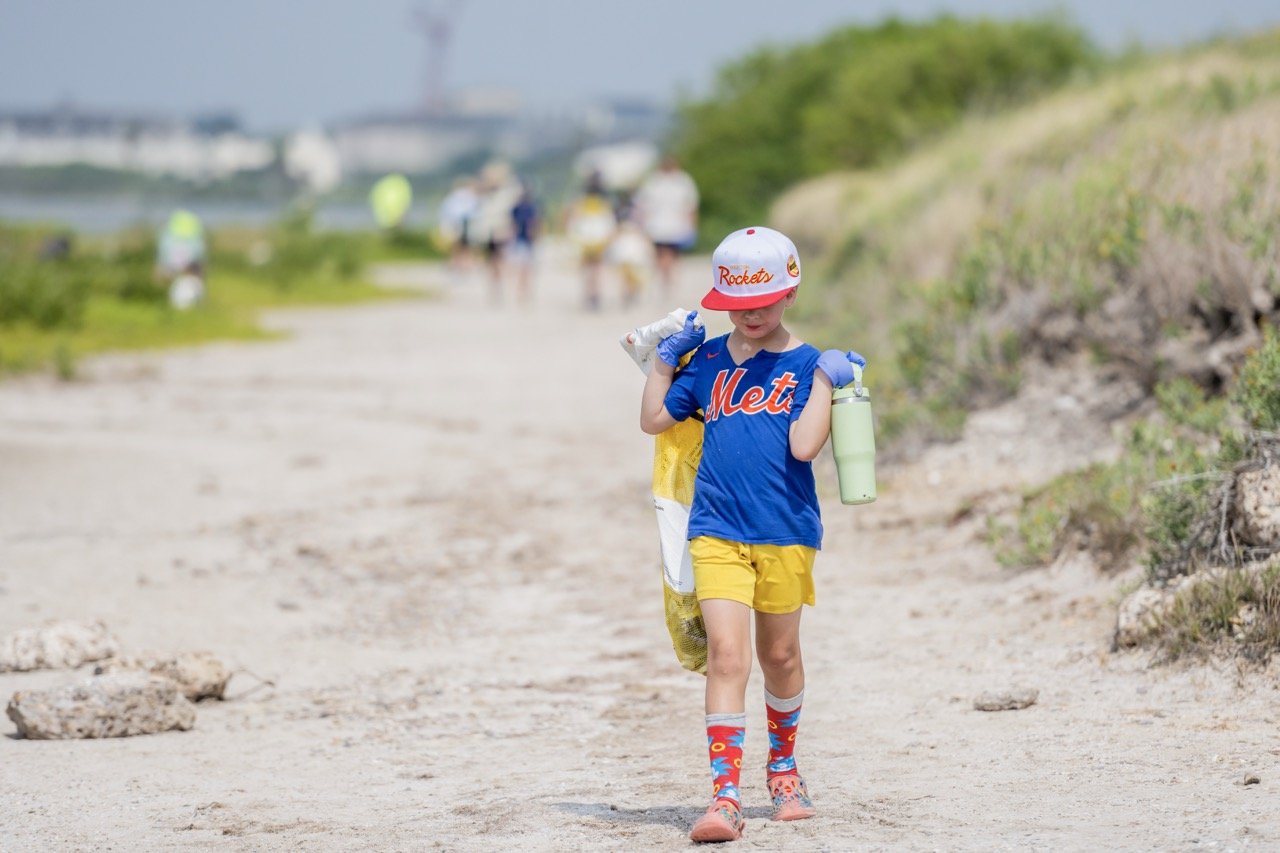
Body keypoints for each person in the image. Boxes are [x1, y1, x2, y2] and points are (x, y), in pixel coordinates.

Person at [638, 226, 865, 843]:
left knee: (780, 656)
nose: (752, 313)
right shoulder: (707, 359)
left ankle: (785, 768)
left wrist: (825, 381)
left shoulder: (804, 364)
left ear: (790, 292)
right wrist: (662, 363)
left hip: (786, 531)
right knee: (729, 656)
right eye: (739, 304)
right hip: (716, 529)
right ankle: (725, 795)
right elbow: (654, 419)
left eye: (764, 301)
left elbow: (803, 445)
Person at [634, 156, 699, 299]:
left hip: (657, 227)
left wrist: (641, 226)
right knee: (671, 256)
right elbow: (691, 206)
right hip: (675, 227)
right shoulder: (683, 181)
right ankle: (669, 282)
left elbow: (642, 206)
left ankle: (665, 282)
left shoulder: (653, 181)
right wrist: (692, 226)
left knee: (662, 255)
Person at [565, 172, 617, 311]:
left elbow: (575, 220)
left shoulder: (581, 201)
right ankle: (595, 294)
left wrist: (574, 236)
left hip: (585, 238)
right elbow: (609, 219)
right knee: (596, 269)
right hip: (599, 238)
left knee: (587, 268)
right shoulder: (604, 201)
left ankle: (588, 293)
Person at [437, 177, 479, 273]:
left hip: (458, 225)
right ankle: (462, 266)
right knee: (464, 248)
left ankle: (459, 266)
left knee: (459, 248)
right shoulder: (465, 197)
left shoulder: (453, 197)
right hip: (462, 225)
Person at [508, 182, 540, 306]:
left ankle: (523, 291)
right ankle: (523, 291)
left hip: (524, 241)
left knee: (524, 268)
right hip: (522, 241)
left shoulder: (527, 208)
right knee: (523, 268)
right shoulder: (524, 208)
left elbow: (534, 224)